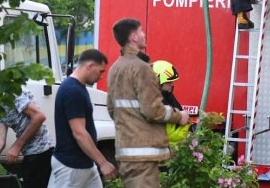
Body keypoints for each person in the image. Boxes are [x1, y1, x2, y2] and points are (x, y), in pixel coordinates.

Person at [107, 18, 189, 188]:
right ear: (134, 37)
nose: (144, 35)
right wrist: (179, 116)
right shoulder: (142, 68)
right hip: (143, 156)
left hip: (126, 152)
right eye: (141, 31)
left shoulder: (115, 68)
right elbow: (153, 110)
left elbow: (112, 109)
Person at [48, 49, 117, 188]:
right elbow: (79, 132)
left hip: (85, 163)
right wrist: (102, 162)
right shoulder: (73, 91)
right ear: (90, 66)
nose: (101, 77)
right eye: (101, 71)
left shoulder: (77, 88)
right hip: (71, 165)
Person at [0, 90, 54, 188]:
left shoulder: (10, 94)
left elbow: (39, 116)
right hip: (29, 155)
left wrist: (17, 146)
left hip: (43, 153)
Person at [152, 60, 193, 145]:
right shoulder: (151, 99)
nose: (172, 85)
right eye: (169, 82)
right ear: (158, 81)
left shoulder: (167, 95)